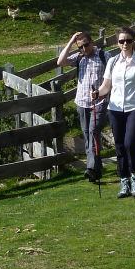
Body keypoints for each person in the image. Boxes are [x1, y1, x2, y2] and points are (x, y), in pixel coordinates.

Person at [96, 26, 135, 198]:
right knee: (120, 145)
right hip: (115, 108)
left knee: (130, 143)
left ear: (133, 41)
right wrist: (97, 93)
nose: (125, 44)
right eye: (122, 41)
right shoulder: (113, 62)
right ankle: (124, 181)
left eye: (128, 40)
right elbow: (106, 86)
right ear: (118, 42)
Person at [57, 30, 109, 180]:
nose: (84, 49)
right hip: (82, 102)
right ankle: (96, 169)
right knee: (87, 135)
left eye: (86, 45)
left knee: (93, 132)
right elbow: (60, 62)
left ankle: (91, 167)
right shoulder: (79, 57)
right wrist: (72, 40)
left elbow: (111, 78)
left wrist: (102, 93)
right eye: (80, 47)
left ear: (92, 42)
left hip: (98, 102)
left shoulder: (104, 56)